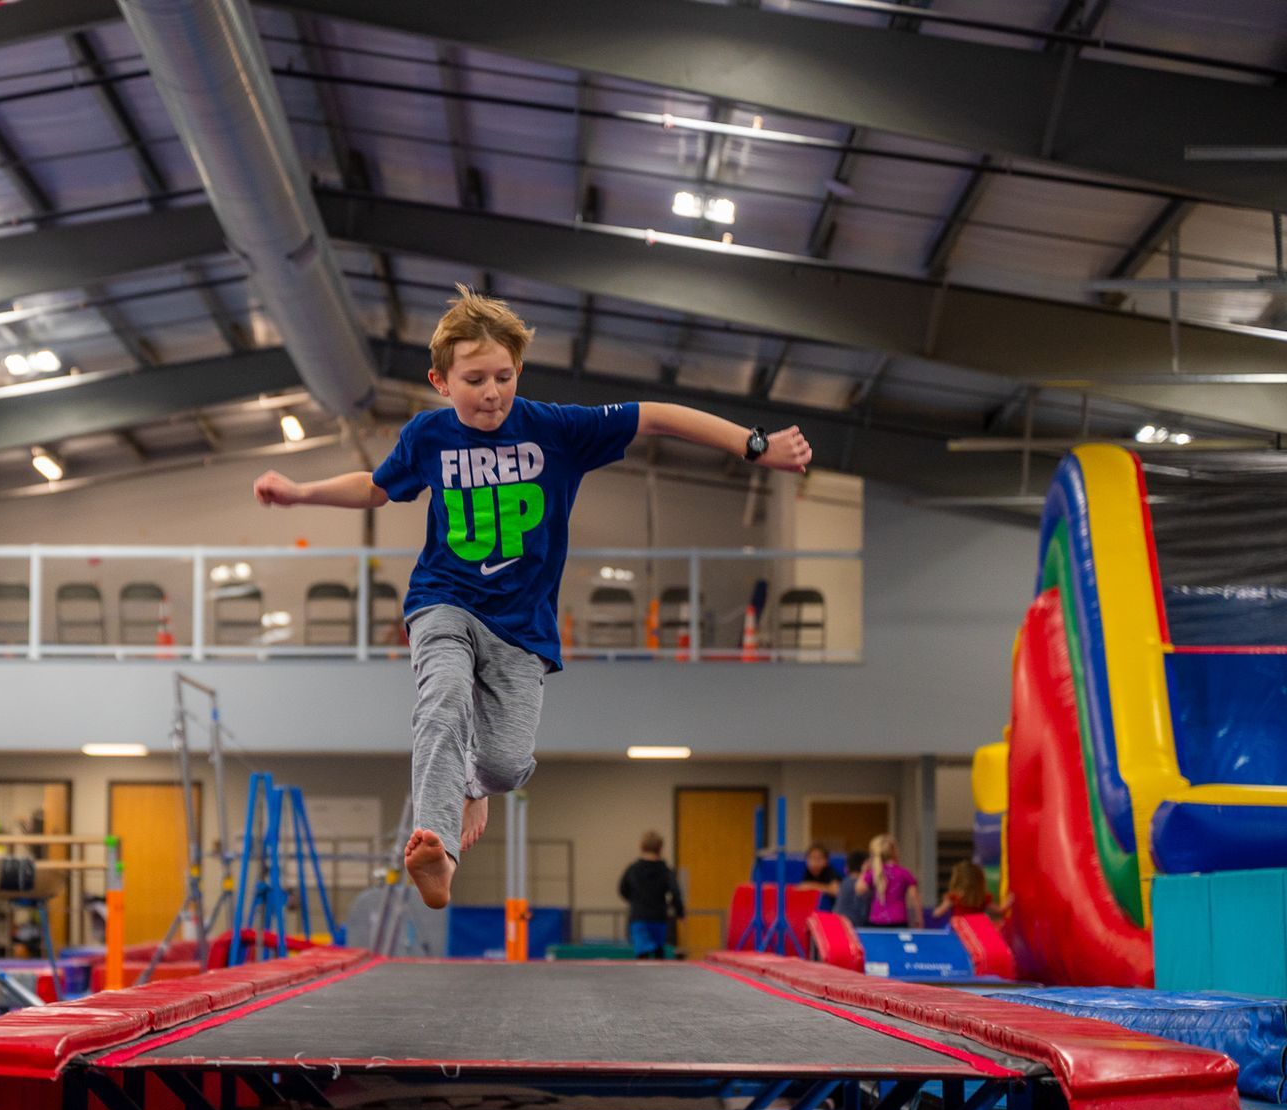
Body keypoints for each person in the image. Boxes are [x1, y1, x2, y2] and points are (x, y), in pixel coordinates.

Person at [253, 286, 812, 908]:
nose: (491, 392)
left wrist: (752, 445)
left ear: (519, 371)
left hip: (522, 626)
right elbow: (376, 487)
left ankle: (474, 781)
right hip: (442, 601)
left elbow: (654, 414)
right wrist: (300, 493)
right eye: (474, 379)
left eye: (504, 376)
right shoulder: (428, 436)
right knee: (440, 702)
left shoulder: (556, 429)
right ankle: (438, 849)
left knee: (506, 764)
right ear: (440, 381)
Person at [618, 831, 684, 959]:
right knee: (659, 951)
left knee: (642, 952)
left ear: (641, 847)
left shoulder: (633, 869)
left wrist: (634, 901)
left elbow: (622, 889)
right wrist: (679, 912)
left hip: (639, 916)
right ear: (660, 848)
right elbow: (675, 892)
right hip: (658, 917)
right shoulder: (665, 870)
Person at [857, 834, 922, 928]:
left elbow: (859, 890)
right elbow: (914, 897)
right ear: (895, 852)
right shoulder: (904, 873)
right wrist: (919, 918)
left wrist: (864, 871)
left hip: (877, 919)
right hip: (899, 919)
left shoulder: (874, 872)